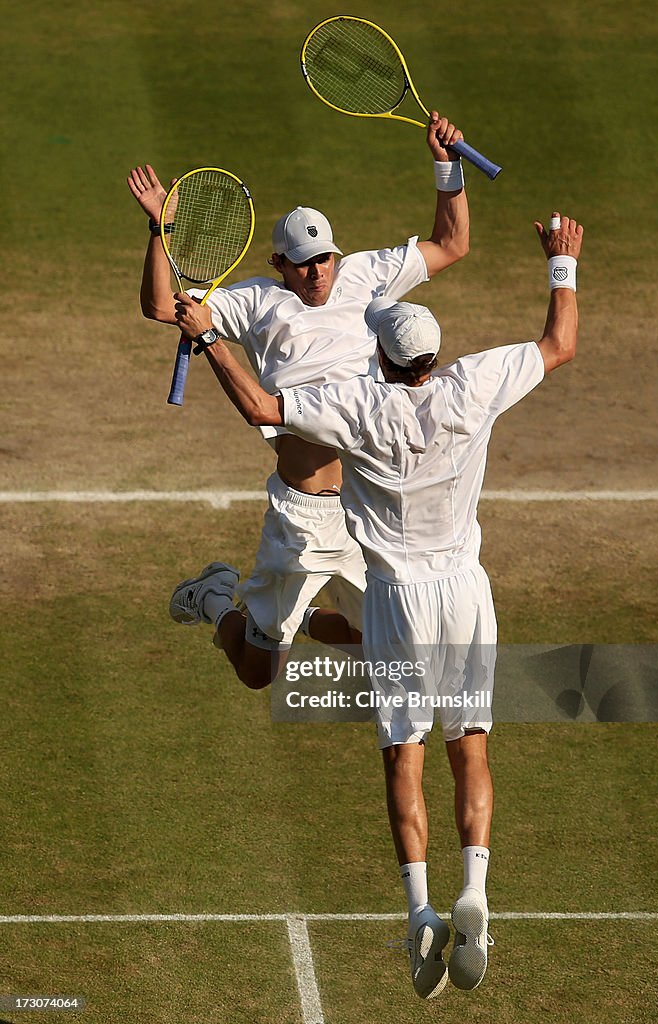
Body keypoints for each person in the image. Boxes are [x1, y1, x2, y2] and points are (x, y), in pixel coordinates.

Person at [172, 212, 583, 998]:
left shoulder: (359, 408)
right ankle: (477, 891)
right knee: (472, 747)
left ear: (385, 362)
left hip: (395, 600)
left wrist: (208, 338)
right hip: (466, 592)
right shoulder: (472, 384)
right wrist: (560, 265)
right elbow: (558, 344)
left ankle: (419, 908)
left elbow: (262, 410)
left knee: (405, 754)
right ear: (432, 358)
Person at [127, 113, 470, 690]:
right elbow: (161, 307)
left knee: (393, 650)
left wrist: (446, 164)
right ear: (279, 265)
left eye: (325, 258)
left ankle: (302, 617)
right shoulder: (255, 302)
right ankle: (214, 598)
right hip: (304, 519)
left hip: (369, 505)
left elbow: (451, 244)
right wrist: (161, 230)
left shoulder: (369, 275)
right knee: (259, 674)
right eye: (303, 262)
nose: (317, 272)